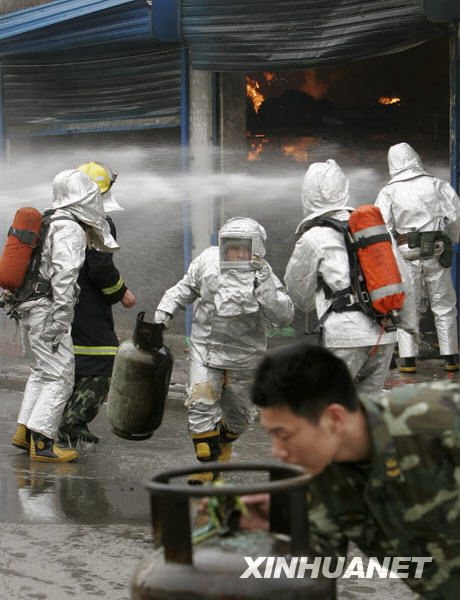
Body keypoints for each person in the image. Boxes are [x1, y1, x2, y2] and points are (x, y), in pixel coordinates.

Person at [247, 341, 460, 599]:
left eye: (284, 434)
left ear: (334, 418)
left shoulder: (441, 417)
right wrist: (283, 526)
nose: (276, 451)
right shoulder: (320, 476)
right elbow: (319, 568)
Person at [153, 217, 294, 485]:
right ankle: (207, 464)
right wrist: (164, 311)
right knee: (200, 403)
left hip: (246, 357)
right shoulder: (207, 262)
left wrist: (265, 287)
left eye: (245, 248)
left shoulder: (263, 273)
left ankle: (222, 445)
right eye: (232, 247)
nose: (238, 254)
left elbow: (284, 316)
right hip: (206, 350)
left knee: (240, 417)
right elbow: (185, 288)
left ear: (257, 249)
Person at [284, 159, 417, 398]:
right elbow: (404, 279)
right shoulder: (375, 231)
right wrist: (408, 325)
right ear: (343, 188)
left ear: (308, 194)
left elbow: (300, 296)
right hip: (384, 332)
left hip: (344, 336)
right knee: (369, 404)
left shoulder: (314, 237)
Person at [11, 169, 118, 462]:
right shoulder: (69, 228)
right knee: (60, 377)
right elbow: (65, 277)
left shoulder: (47, 220)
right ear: (85, 197)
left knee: (41, 372)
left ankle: (25, 432)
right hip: (47, 310)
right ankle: (43, 444)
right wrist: (60, 322)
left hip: (29, 307)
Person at [57, 161, 136, 446]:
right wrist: (120, 292)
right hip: (87, 304)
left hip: (65, 301)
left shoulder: (62, 219)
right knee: (104, 358)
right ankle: (73, 422)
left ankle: (55, 424)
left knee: (76, 363)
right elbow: (101, 267)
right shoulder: (97, 221)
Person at [375, 142, 460, 373]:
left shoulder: (388, 191)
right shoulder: (438, 185)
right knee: (443, 305)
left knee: (407, 305)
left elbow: (382, 227)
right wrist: (451, 239)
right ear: (416, 158)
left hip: (406, 253)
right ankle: (451, 357)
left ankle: (408, 360)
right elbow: (455, 217)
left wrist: (393, 256)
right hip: (437, 249)